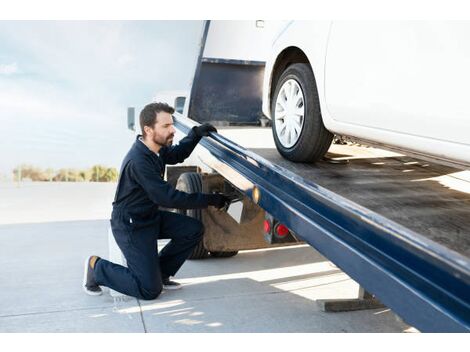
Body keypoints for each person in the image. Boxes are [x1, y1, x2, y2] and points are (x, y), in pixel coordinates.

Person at [82, 102, 230, 300]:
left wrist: (195, 134)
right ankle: (96, 268)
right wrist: (212, 199)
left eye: (172, 125)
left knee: (192, 229)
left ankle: (160, 273)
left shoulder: (156, 149)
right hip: (131, 225)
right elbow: (167, 197)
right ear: (148, 129)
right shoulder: (138, 160)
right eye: (166, 126)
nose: (172, 130)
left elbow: (178, 154)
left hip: (149, 217)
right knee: (148, 290)